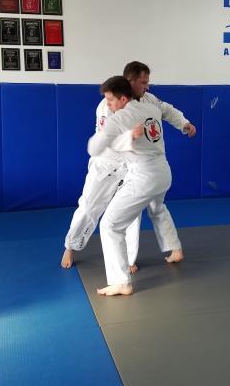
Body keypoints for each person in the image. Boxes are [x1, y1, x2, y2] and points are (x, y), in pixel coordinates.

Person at [61, 61, 193, 269]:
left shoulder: (148, 99)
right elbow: (105, 142)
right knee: (89, 207)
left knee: (131, 215)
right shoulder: (109, 105)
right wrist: (130, 136)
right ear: (129, 82)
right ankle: (71, 246)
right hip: (106, 163)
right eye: (143, 82)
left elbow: (166, 110)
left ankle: (128, 260)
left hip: (132, 165)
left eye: (147, 82)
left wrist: (183, 123)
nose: (147, 86)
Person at [88, 76, 183, 296]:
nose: (107, 105)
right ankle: (174, 248)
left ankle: (121, 282)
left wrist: (123, 137)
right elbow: (166, 112)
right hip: (163, 173)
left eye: (110, 100)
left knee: (110, 224)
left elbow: (94, 148)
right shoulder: (152, 109)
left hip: (143, 178)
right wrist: (128, 137)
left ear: (123, 99)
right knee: (156, 210)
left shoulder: (119, 117)